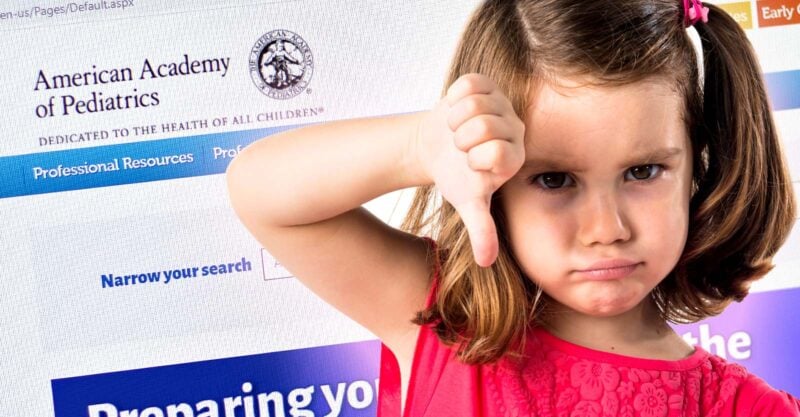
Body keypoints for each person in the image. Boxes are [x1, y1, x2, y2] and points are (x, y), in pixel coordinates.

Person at [226, 0, 799, 415]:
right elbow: (261, 192)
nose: (606, 229)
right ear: (492, 182)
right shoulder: (439, 321)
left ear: (698, 165)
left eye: (643, 172)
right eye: (554, 179)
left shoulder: (744, 407)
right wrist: (418, 147)